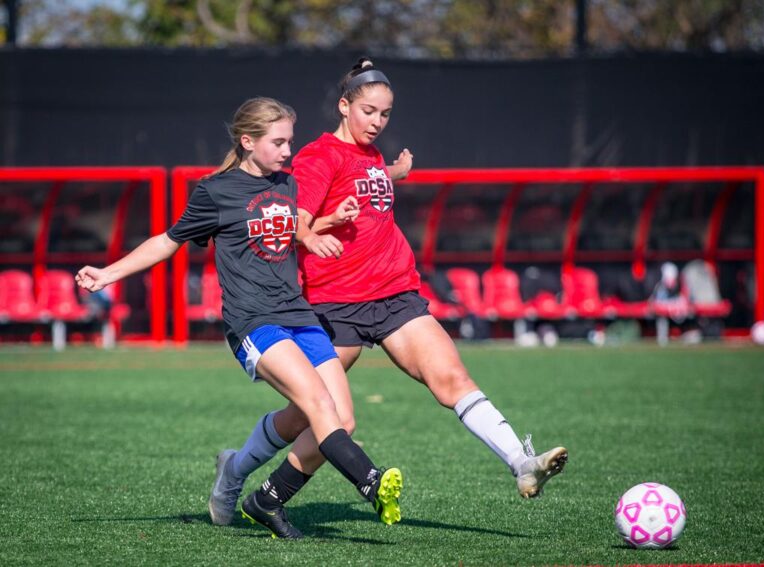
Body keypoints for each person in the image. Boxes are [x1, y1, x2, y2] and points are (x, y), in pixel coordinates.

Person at [209, 59, 568, 527]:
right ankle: (237, 473)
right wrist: (319, 229)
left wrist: (392, 174)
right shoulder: (318, 156)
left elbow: (361, 191)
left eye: (385, 114)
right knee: (313, 414)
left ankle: (521, 464)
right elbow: (293, 219)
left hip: (395, 293)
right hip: (335, 302)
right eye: (368, 111)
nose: (377, 122)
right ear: (344, 106)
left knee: (452, 380)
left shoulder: (372, 155)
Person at [75, 97, 403, 539]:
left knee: (341, 419)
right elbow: (168, 241)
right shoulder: (215, 191)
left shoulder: (287, 184)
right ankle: (371, 480)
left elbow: (297, 228)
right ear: (248, 142)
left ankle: (249, 486)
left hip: (299, 314)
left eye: (291, 140)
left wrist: (326, 223)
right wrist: (107, 274)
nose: (289, 151)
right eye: (279, 142)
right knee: (319, 406)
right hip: (254, 321)